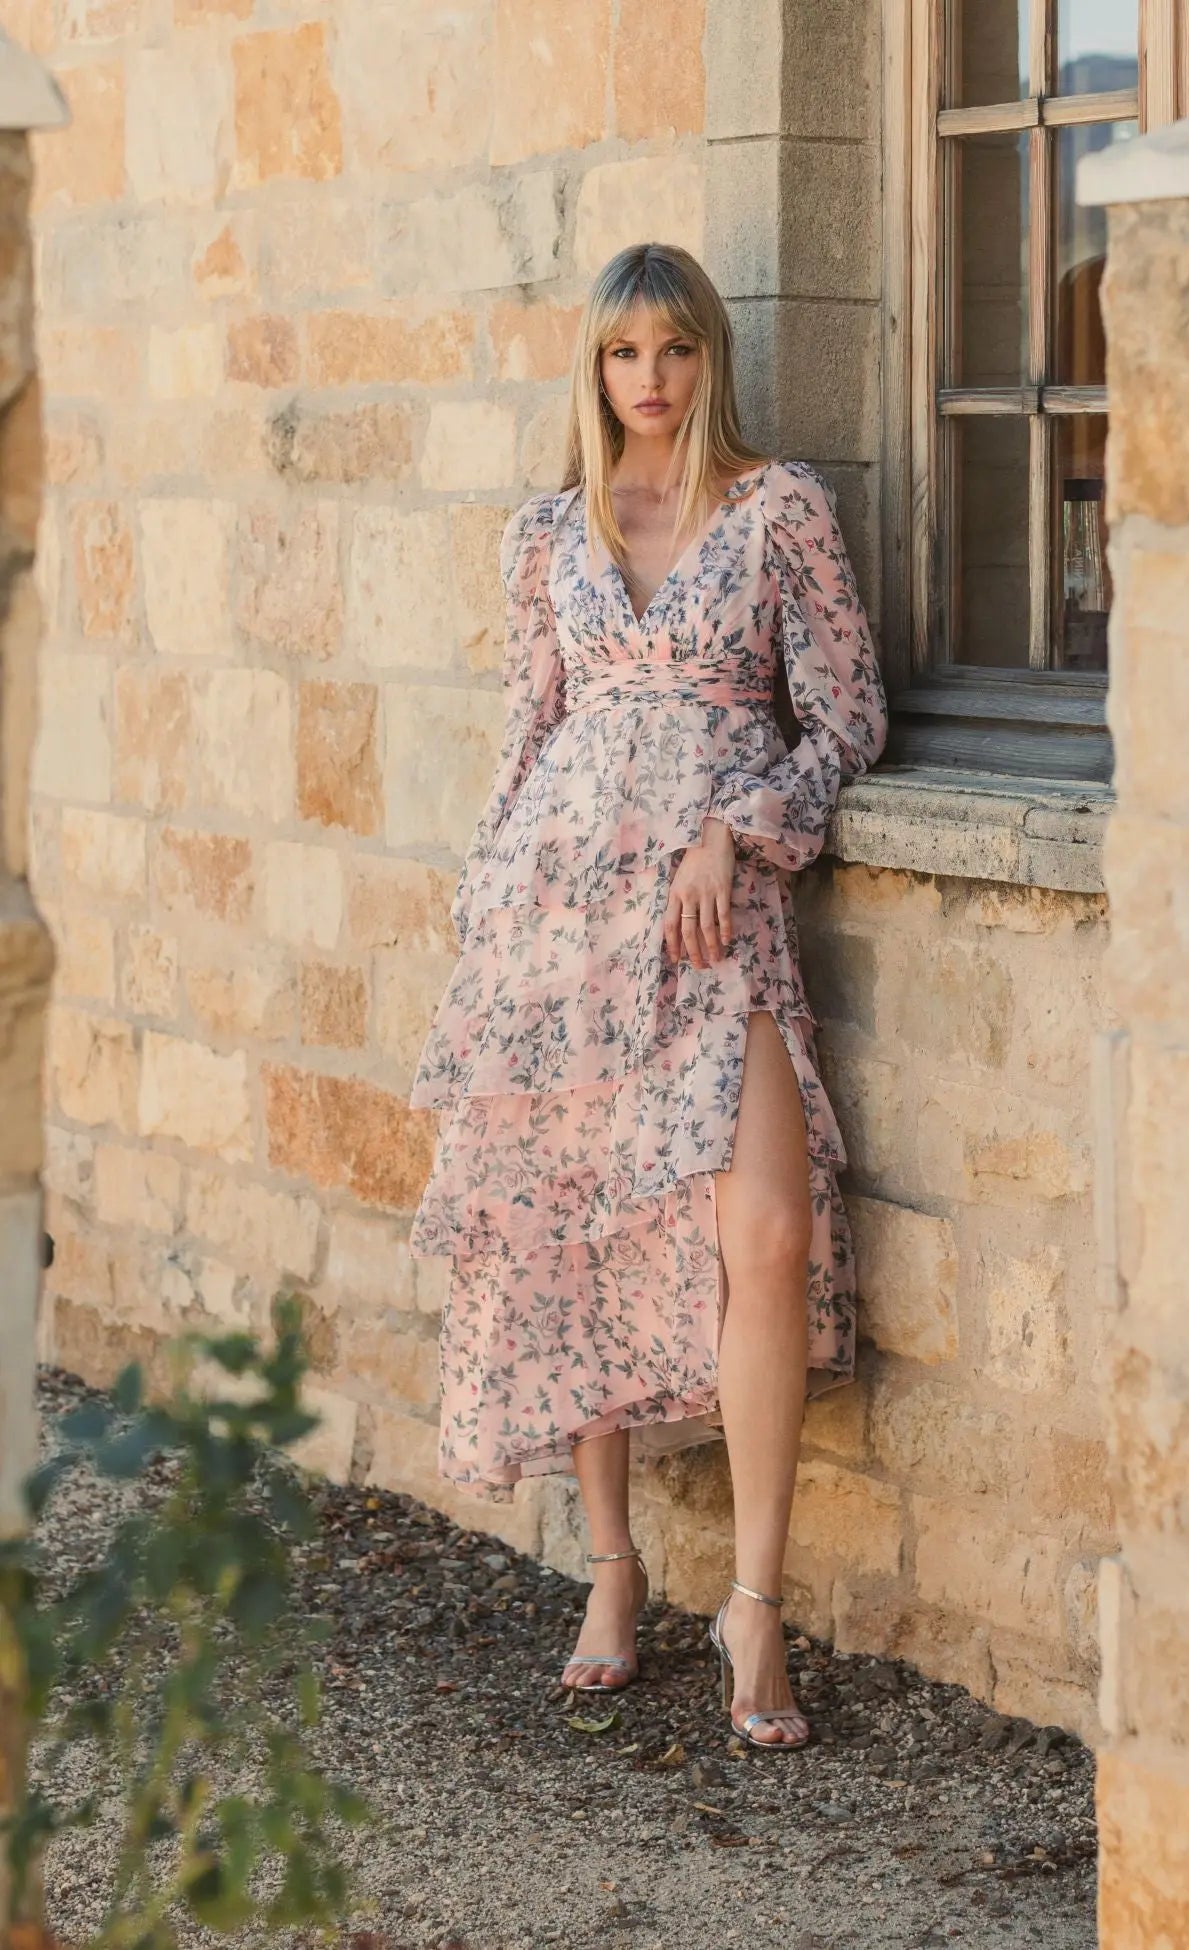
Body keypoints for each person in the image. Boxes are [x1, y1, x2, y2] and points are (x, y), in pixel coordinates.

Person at [409, 242, 888, 1749]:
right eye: (625, 353)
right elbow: (524, 738)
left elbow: (848, 717)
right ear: (597, 368)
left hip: (709, 919)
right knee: (577, 1228)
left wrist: (739, 828)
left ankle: (754, 1602)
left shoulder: (778, 508)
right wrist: (486, 922)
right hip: (556, 927)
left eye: (676, 348)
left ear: (709, 357)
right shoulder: (548, 534)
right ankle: (612, 1569)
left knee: (768, 1229)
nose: (652, 379)